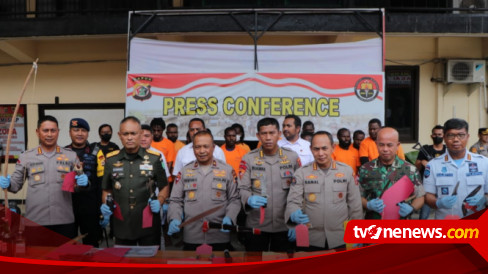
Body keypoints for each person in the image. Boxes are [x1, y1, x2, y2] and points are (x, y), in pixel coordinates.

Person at [0, 115, 89, 246]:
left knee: (64, 263)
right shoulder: (26, 157)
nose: (49, 134)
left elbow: (78, 186)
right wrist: (7, 184)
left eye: (53, 130)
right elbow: (15, 186)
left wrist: (84, 183)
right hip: (35, 222)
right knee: (38, 262)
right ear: (37, 132)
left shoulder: (70, 156)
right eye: (45, 130)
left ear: (58, 132)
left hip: (64, 222)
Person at [286, 131, 363, 251]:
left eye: (324, 148)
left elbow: (355, 206)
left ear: (333, 148)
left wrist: (357, 234)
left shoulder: (347, 171)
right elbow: (293, 202)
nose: (320, 153)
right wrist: (293, 217)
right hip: (310, 237)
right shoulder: (301, 173)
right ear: (311, 149)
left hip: (340, 237)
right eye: (316, 149)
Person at [100, 116, 169, 246]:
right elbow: (107, 189)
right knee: (124, 263)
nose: (130, 137)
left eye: (133, 133)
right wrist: (106, 204)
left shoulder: (154, 159)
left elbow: (164, 186)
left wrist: (159, 201)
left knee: (149, 263)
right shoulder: (111, 160)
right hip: (122, 223)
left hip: (148, 223)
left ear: (141, 134)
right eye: (126, 134)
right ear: (119, 135)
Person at [167, 131, 241, 251]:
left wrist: (230, 217)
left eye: (206, 146)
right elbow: (175, 200)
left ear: (213, 147)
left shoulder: (227, 170)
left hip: (219, 235)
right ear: (193, 148)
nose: (201, 151)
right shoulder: (184, 171)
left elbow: (235, 199)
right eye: (197, 147)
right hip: (192, 235)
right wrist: (174, 218)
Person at [238, 117, 300, 252]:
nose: (268, 137)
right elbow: (242, 188)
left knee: (282, 267)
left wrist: (297, 224)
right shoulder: (249, 158)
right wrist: (248, 199)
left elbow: (300, 192)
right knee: (254, 266)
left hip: (285, 225)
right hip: (257, 225)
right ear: (257, 136)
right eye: (264, 133)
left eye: (272, 133)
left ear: (279, 134)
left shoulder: (292, 157)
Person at [424, 118, 488, 220]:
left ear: (467, 137)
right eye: (451, 135)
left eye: (461, 135)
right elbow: (428, 196)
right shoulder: (433, 165)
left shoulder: (484, 163)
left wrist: (485, 200)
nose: (456, 139)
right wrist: (437, 203)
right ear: (444, 137)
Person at [358, 127, 425, 220]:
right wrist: (368, 204)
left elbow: (420, 196)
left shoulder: (410, 169)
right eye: (381, 145)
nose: (385, 149)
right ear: (376, 144)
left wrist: (412, 208)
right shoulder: (366, 169)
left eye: (390, 145)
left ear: (397, 145)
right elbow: (358, 196)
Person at [65, 118, 102, 247]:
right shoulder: (63, 153)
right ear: (70, 132)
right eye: (76, 130)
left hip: (90, 207)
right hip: (68, 206)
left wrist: (101, 209)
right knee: (68, 245)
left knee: (91, 245)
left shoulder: (96, 152)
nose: (80, 133)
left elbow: (102, 182)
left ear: (88, 133)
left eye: (83, 130)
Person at [414, 125, 446, 220]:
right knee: (424, 215)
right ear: (431, 136)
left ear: (444, 135)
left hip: (444, 185)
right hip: (429, 186)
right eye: (435, 134)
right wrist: (422, 162)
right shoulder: (425, 149)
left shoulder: (447, 150)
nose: (437, 137)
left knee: (444, 213)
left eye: (439, 134)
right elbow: (416, 167)